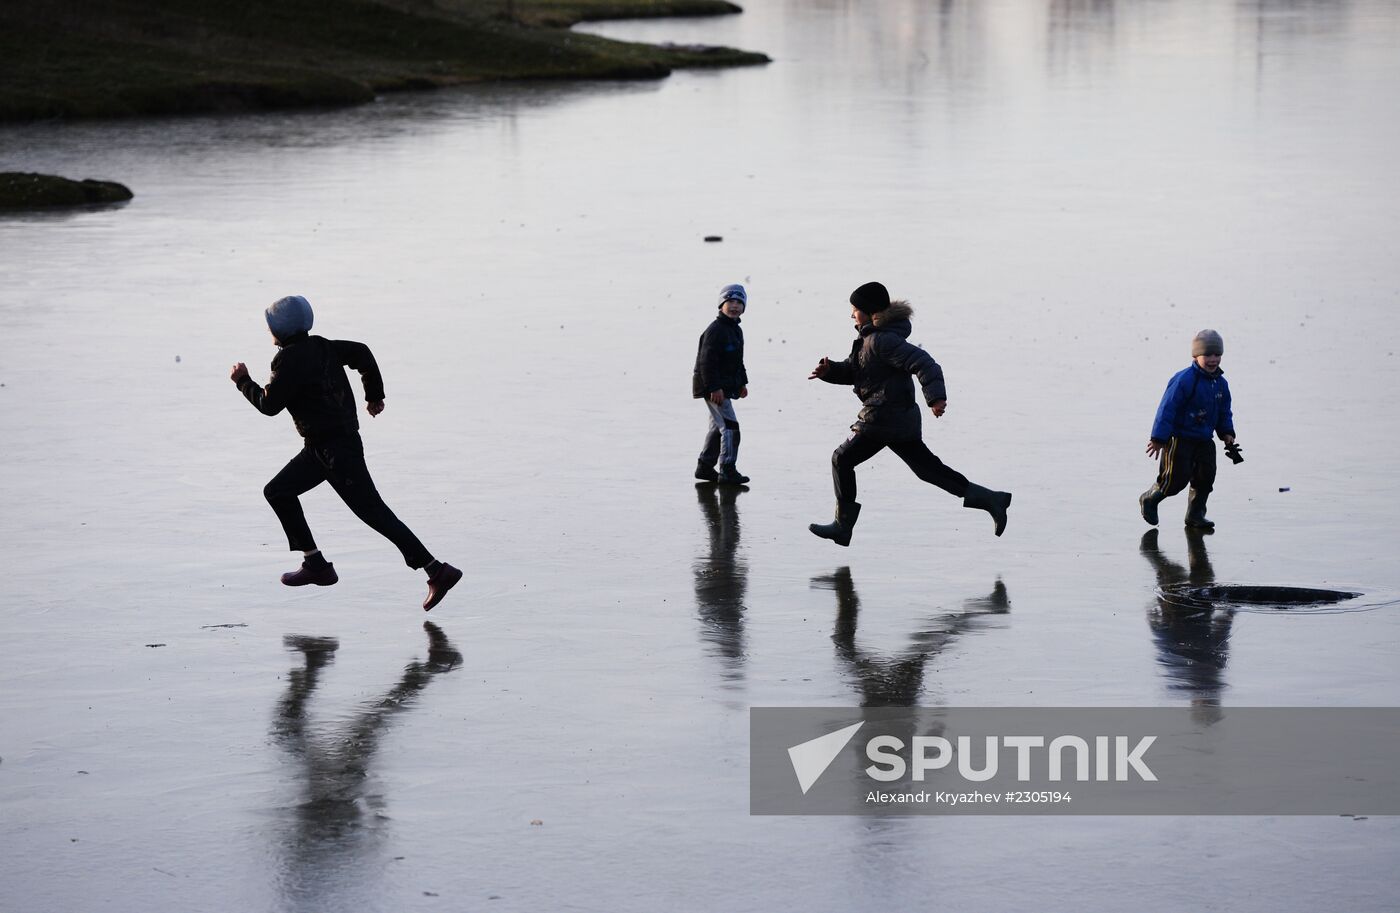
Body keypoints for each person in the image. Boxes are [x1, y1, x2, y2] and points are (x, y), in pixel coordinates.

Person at [230, 295, 461, 611]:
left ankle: (437, 570)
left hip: (336, 452)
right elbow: (362, 353)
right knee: (278, 491)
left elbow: (270, 405)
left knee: (375, 513)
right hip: (321, 449)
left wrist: (243, 381)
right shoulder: (324, 346)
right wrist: (374, 395)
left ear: (279, 331)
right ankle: (315, 564)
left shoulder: (287, 360)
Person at [807, 281, 1012, 546]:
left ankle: (842, 526)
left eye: (855, 309)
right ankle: (991, 499)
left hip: (882, 417)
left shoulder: (882, 340)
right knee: (928, 470)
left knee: (841, 459)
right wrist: (831, 371)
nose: (851, 314)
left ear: (869, 312)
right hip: (898, 419)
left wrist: (936, 398)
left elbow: (925, 363)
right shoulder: (869, 338)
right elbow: (856, 371)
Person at [1139, 329, 1237, 530]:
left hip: (1204, 439)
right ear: (1195, 355)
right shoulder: (1185, 380)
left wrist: (1227, 431)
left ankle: (1195, 514)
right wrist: (1158, 438)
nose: (1213, 359)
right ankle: (1150, 499)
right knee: (1175, 480)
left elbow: (1224, 410)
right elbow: (1167, 408)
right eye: (1207, 355)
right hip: (1180, 438)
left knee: (1206, 476)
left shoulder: (1221, 384)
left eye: (1217, 355)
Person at [692, 283, 751, 485]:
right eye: (730, 301)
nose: (734, 306)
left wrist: (742, 382)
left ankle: (705, 467)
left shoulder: (736, 331)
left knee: (718, 428)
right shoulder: (715, 330)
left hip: (725, 387)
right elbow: (705, 362)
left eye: (739, 302)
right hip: (713, 388)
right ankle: (727, 468)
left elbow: (737, 361)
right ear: (721, 305)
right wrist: (714, 388)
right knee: (730, 427)